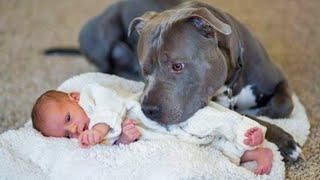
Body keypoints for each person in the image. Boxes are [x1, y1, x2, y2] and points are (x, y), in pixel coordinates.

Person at [31, 83, 273, 175]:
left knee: (202, 120)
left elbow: (111, 106)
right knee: (201, 143)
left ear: (74, 98)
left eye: (68, 118)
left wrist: (100, 130)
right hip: (156, 134)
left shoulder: (91, 96)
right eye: (66, 134)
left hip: (160, 114)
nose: (73, 129)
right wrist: (125, 138)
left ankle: (242, 129)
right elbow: (116, 148)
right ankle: (250, 153)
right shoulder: (87, 137)